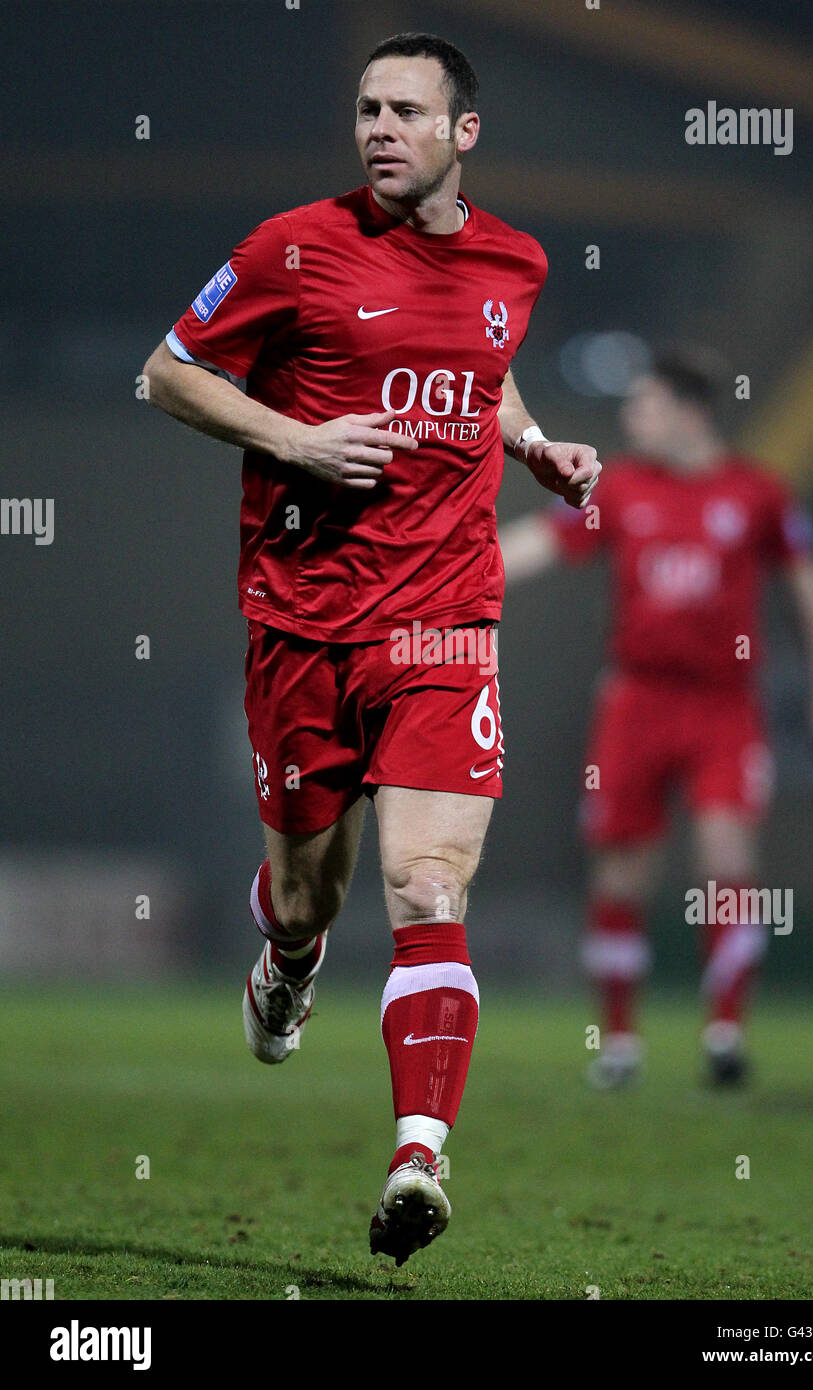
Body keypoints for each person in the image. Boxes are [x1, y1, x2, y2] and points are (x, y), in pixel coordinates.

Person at [142, 31, 600, 1265]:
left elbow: (480, 366)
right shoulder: (288, 248)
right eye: (366, 108)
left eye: (405, 109)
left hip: (447, 618)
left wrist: (534, 445)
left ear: (465, 133)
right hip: (300, 623)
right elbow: (167, 375)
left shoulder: (518, 258)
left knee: (426, 884)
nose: (379, 127)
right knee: (307, 896)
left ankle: (417, 1154)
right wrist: (293, 440)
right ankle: (287, 964)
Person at [499, 345, 813, 1087]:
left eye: (643, 404)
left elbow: (808, 584)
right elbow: (541, 543)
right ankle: (621, 1043)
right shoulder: (622, 489)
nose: (631, 418)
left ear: (686, 412)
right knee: (621, 872)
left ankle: (725, 1033)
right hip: (635, 700)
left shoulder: (754, 492)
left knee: (726, 857)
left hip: (724, 705)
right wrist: (454, 571)